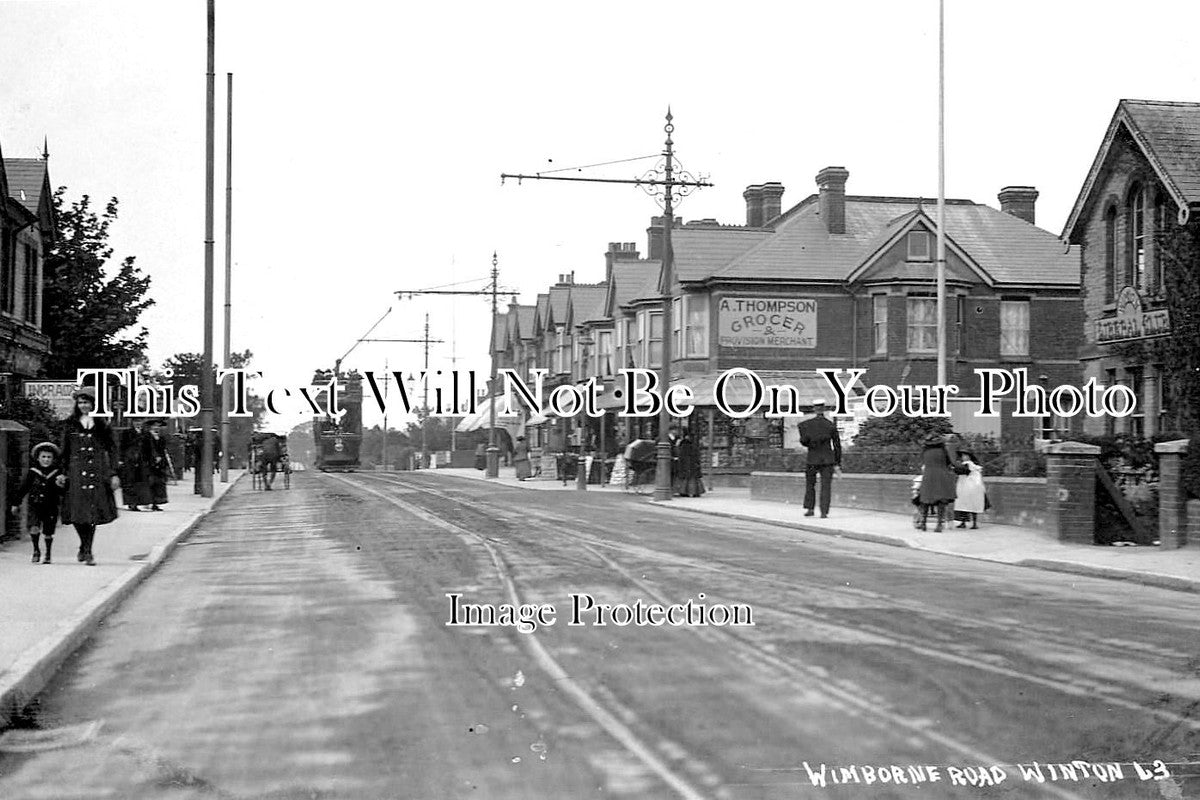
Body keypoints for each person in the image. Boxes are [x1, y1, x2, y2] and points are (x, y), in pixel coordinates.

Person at [59, 389, 121, 566]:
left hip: (97, 473)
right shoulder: (70, 424)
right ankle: (83, 545)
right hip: (76, 473)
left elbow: (113, 449)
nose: (84, 406)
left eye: (87, 402)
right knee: (77, 513)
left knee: (92, 514)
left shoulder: (102, 425)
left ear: (94, 404)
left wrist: (114, 473)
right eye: (80, 403)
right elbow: (64, 450)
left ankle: (87, 550)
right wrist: (62, 472)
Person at [11, 442, 64, 564]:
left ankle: (48, 554)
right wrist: (16, 503)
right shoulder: (33, 472)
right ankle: (36, 550)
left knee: (48, 531)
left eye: (49, 457)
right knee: (34, 527)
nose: (46, 460)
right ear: (38, 458)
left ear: (53, 459)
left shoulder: (57, 473)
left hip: (51, 506)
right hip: (35, 505)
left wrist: (62, 484)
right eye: (43, 457)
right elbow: (24, 488)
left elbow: (63, 491)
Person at [797, 398, 841, 518]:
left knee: (810, 484)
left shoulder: (806, 425)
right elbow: (837, 445)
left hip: (812, 458)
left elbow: (804, 441)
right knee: (826, 486)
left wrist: (809, 442)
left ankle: (810, 508)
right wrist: (837, 463)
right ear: (824, 408)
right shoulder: (830, 425)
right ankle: (824, 511)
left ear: (814, 408)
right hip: (827, 459)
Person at [917, 433, 964, 532]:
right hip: (941, 474)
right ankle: (939, 524)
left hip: (928, 475)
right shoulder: (944, 450)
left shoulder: (925, 451)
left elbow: (922, 462)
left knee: (926, 499)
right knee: (941, 500)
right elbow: (953, 462)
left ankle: (923, 523)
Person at [141, 419, 172, 510]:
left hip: (159, 464)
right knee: (149, 483)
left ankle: (156, 503)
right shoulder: (146, 437)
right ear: (151, 427)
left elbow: (163, 450)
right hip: (149, 463)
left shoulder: (161, 438)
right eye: (154, 426)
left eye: (158, 426)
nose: (156, 427)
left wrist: (162, 460)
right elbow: (144, 450)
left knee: (158, 484)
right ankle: (147, 502)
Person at [953, 450, 987, 529]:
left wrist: (954, 468)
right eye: (962, 456)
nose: (963, 457)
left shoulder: (969, 465)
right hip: (967, 487)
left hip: (969, 487)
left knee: (968, 504)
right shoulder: (971, 466)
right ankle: (964, 522)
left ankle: (972, 522)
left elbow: (963, 471)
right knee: (965, 504)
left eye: (965, 455)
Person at [673, 428, 705, 497]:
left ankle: (684, 491)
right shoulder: (692, 444)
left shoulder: (683, 445)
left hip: (686, 463)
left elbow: (680, 454)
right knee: (692, 478)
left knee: (686, 477)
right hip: (692, 463)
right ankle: (694, 491)